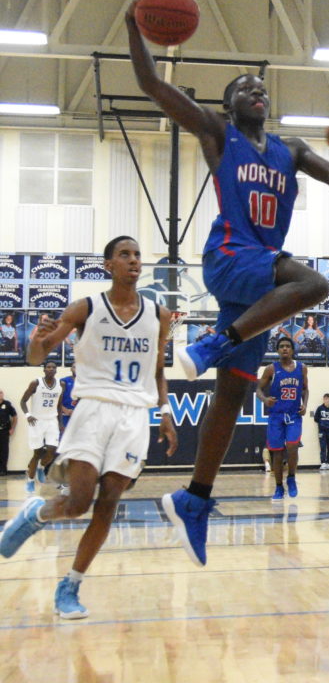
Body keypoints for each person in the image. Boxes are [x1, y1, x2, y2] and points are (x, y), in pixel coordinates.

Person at [127, 0, 329, 566]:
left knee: (229, 393)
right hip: (230, 255)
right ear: (228, 104)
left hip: (256, 279)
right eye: (247, 88)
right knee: (315, 285)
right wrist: (135, 25)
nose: (259, 93)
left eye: (264, 89)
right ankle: (209, 343)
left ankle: (195, 499)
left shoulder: (291, 150)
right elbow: (151, 82)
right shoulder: (217, 134)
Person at [0, 235, 177, 618]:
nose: (133, 260)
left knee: (110, 501)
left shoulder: (160, 315)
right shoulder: (85, 308)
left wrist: (165, 412)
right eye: (124, 255)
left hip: (133, 415)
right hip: (93, 409)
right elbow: (36, 355)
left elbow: (159, 370)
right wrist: (38, 341)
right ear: (108, 265)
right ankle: (36, 514)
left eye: (137, 255)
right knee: (79, 503)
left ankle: (71, 585)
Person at [256, 338, 307, 500]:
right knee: (277, 454)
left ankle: (291, 478)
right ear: (277, 350)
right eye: (281, 347)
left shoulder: (302, 368)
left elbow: (305, 389)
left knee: (292, 447)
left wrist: (304, 404)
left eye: (287, 346)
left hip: (294, 415)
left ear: (292, 350)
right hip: (276, 416)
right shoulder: (271, 369)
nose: (284, 349)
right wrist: (265, 400)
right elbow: (258, 389)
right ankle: (279, 487)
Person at [19, 359, 60, 494]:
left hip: (52, 420)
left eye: (53, 367)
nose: (50, 369)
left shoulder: (60, 385)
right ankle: (30, 480)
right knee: (37, 453)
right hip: (36, 421)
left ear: (56, 370)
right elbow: (23, 401)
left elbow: (58, 405)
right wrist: (27, 415)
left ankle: (41, 468)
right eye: (48, 367)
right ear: (44, 369)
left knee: (52, 451)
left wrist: (60, 422)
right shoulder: (36, 383)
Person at [313, 392, 329, 470]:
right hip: (322, 431)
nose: (326, 400)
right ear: (323, 399)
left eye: (328, 399)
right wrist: (322, 424)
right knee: (323, 447)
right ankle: (323, 463)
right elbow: (316, 418)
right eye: (325, 399)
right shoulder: (320, 408)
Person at [0, 390, 17, 475]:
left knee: (4, 450)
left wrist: (12, 428)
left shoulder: (7, 404)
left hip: (4, 431)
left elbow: (14, 416)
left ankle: (3, 470)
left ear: (2, 394)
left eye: (0, 393)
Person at [58, 364, 77, 435]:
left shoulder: (86, 383)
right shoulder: (63, 381)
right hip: (65, 415)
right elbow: (56, 399)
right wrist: (64, 410)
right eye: (75, 367)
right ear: (71, 369)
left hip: (80, 415)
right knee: (63, 438)